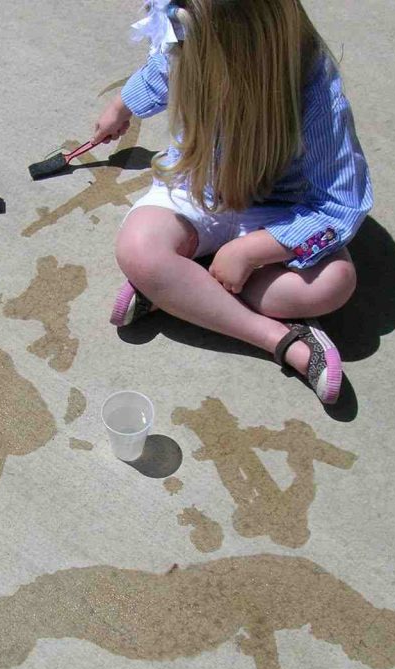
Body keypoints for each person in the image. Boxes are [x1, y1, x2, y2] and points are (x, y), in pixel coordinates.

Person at [97, 0, 372, 404]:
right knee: (138, 248)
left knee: (333, 284)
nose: (178, 49)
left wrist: (251, 250)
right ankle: (280, 339)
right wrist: (121, 107)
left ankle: (180, 290)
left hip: (275, 212)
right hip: (195, 190)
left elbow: (341, 204)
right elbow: (161, 70)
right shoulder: (186, 42)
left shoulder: (314, 94)